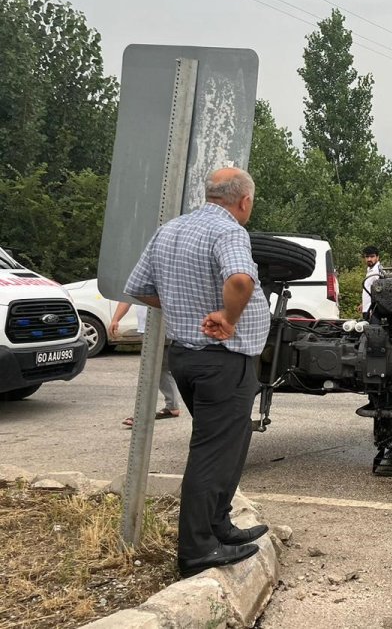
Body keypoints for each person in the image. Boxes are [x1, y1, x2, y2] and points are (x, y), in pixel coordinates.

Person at [125, 167, 270, 578]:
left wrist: (182, 307)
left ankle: (218, 525)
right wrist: (227, 315)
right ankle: (197, 549)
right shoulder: (228, 231)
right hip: (223, 360)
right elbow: (240, 279)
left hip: (188, 357)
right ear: (243, 201)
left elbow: (138, 287)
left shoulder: (170, 231)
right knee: (212, 453)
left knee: (230, 443)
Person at [112, 302, 182, 427]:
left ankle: (142, 415)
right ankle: (172, 406)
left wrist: (116, 319)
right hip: (158, 326)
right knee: (162, 369)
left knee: (149, 371)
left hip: (157, 327)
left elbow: (127, 298)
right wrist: (116, 319)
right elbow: (127, 298)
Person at [361, 246, 382, 320]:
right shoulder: (370, 270)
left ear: (377, 257)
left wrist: (372, 309)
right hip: (367, 307)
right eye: (367, 257)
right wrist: (363, 304)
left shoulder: (378, 272)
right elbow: (368, 289)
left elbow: (380, 293)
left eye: (372, 256)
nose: (369, 259)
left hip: (374, 309)